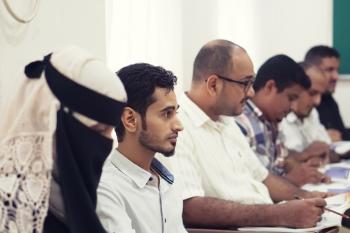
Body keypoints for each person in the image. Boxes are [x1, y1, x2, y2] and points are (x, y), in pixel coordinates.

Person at [160, 39, 327, 229]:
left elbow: (263, 176)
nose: (251, 93)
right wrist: (280, 215)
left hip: (268, 221)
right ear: (213, 85)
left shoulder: (227, 120)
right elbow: (189, 207)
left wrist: (305, 196)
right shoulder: (178, 128)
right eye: (245, 84)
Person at [0, 46, 127, 233]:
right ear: (52, 122)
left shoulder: (82, 191)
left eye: (110, 130)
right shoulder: (14, 212)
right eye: (98, 130)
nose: (107, 142)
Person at [96, 63, 186, 233]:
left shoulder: (169, 181)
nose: (179, 126)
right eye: (167, 114)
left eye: (176, 113)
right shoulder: (106, 188)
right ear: (130, 120)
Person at [236, 55, 330, 186]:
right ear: (270, 87)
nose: (292, 106)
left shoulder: (271, 120)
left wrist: (303, 170)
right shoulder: (242, 122)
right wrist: (292, 182)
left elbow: (282, 161)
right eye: (291, 98)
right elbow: (249, 185)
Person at [280, 62, 332, 154]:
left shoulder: (312, 113)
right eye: (312, 93)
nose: (318, 101)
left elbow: (327, 146)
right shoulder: (278, 115)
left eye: (321, 95)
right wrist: (307, 153)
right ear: (295, 88)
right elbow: (282, 159)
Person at [305, 45, 350, 141]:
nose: (336, 76)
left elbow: (340, 134)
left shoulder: (328, 99)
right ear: (312, 70)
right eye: (330, 70)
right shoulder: (301, 103)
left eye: (337, 70)